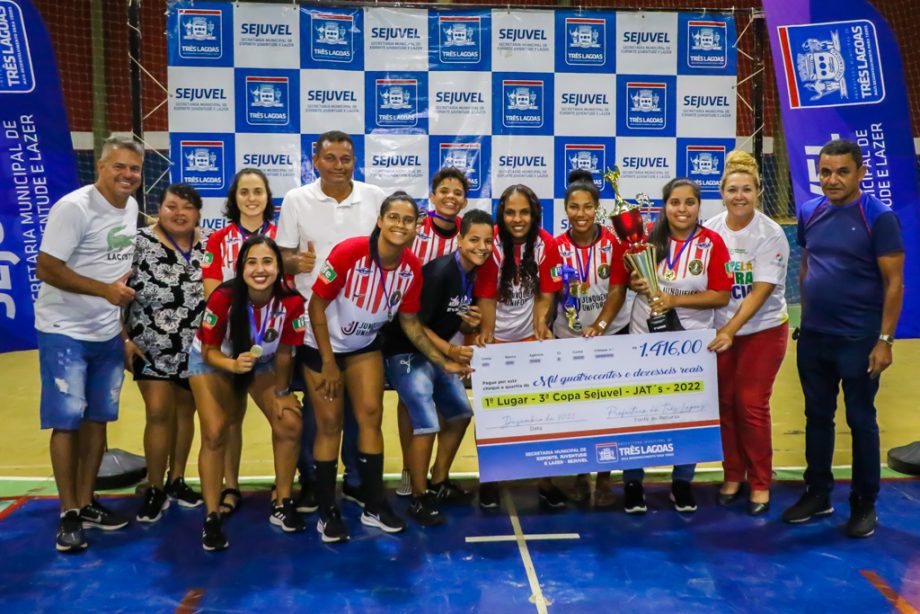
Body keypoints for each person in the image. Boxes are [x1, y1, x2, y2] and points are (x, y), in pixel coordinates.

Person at [301, 192, 468, 543]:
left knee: (371, 416)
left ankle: (375, 504)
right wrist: (329, 363)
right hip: (323, 346)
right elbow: (316, 307)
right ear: (380, 220)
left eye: (408, 220)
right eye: (393, 217)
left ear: (416, 227)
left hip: (364, 346)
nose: (400, 225)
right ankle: (327, 510)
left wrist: (443, 361)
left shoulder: (410, 267)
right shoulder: (350, 252)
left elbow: (410, 323)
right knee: (330, 424)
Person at [782, 139, 904, 538]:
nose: (832, 180)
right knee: (817, 418)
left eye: (842, 172)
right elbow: (808, 266)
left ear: (860, 173)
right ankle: (818, 493)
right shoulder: (809, 211)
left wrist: (884, 338)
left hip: (859, 340)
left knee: (860, 420)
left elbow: (894, 282)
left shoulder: (878, 217)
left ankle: (864, 503)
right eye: (825, 172)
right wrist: (806, 315)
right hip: (815, 337)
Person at [35, 136, 143, 553]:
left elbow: (116, 270)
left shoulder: (130, 207)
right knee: (67, 420)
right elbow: (46, 267)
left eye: (134, 168)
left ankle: (85, 502)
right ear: (100, 166)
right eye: (119, 166)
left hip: (105, 333)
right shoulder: (74, 208)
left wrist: (121, 329)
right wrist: (102, 292)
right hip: (64, 329)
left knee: (98, 420)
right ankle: (67, 513)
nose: (128, 175)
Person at [277, 130, 385, 513]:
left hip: (363, 326)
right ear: (315, 160)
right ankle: (313, 483)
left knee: (364, 410)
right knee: (322, 413)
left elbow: (389, 254)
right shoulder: (296, 200)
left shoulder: (375, 198)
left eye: (345, 159)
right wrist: (295, 263)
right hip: (313, 322)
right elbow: (282, 258)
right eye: (331, 158)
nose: (338, 166)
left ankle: (357, 481)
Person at [190, 235, 306, 551]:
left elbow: (285, 351)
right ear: (241, 267)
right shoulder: (222, 298)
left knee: (290, 422)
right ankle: (212, 515)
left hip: (262, 361)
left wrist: (282, 391)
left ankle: (282, 501)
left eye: (267, 262)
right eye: (251, 262)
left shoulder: (292, 302)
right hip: (213, 359)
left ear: (279, 267)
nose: (259, 269)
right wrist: (230, 364)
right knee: (215, 433)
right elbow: (209, 350)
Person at [625, 178, 731, 514]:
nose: (682, 209)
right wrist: (635, 282)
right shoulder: (646, 242)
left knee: (688, 415)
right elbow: (629, 280)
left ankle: (682, 481)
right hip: (644, 339)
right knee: (639, 414)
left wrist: (673, 299)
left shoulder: (712, 243)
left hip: (691, 345)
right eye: (675, 202)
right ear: (664, 206)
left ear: (699, 206)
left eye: (689, 203)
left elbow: (721, 295)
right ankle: (632, 482)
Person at [383, 209, 494, 526]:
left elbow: (441, 316)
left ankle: (439, 481)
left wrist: (464, 321)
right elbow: (413, 323)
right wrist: (450, 351)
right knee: (427, 421)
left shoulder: (470, 271)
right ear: (460, 240)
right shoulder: (439, 271)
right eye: (474, 239)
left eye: (487, 241)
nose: (481, 246)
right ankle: (418, 498)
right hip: (405, 352)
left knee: (460, 414)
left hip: (433, 352)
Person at [703, 151, 790, 516]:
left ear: (759, 191)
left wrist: (730, 329)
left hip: (762, 330)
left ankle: (760, 481)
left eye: (747, 190)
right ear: (722, 192)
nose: (740, 196)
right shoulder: (711, 229)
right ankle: (733, 474)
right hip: (721, 331)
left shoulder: (771, 234)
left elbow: (760, 292)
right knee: (723, 404)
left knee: (751, 405)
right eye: (733, 190)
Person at [474, 184, 565, 509]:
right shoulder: (491, 243)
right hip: (494, 337)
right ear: (502, 213)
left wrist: (541, 324)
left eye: (524, 212)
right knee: (492, 416)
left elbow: (547, 292)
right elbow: (485, 295)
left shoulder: (546, 244)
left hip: (530, 338)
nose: (517, 219)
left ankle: (545, 480)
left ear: (534, 214)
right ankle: (490, 480)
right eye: (510, 212)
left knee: (539, 412)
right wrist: (487, 334)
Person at [125, 184, 208, 522]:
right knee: (159, 413)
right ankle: (155, 485)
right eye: (171, 206)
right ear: (158, 208)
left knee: (185, 414)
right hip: (149, 345)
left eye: (187, 207)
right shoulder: (138, 243)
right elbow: (115, 290)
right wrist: (123, 339)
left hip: (195, 347)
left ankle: (177, 480)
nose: (179, 213)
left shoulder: (208, 244)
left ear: (198, 213)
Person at [201, 168, 277, 517]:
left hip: (272, 342)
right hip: (230, 342)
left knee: (286, 416)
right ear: (234, 199)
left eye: (257, 191)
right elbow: (213, 292)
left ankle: (286, 485)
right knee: (230, 418)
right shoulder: (217, 241)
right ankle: (230, 485)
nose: (251, 198)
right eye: (244, 192)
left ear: (267, 196)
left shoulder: (282, 235)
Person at [554, 170, 630, 508]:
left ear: (597, 209)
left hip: (611, 335)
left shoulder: (614, 243)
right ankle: (581, 473)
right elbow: (548, 295)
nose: (580, 213)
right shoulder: (555, 248)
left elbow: (617, 289)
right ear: (566, 209)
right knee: (575, 412)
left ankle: (604, 479)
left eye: (587, 207)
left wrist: (600, 325)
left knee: (608, 409)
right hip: (567, 338)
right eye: (574, 207)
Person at [394, 167, 471, 499]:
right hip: (410, 328)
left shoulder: (468, 235)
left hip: (448, 331)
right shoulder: (415, 228)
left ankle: (438, 476)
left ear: (464, 200)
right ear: (433, 195)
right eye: (444, 190)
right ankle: (411, 471)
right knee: (411, 402)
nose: (450, 196)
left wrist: (471, 319)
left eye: (457, 192)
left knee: (448, 408)